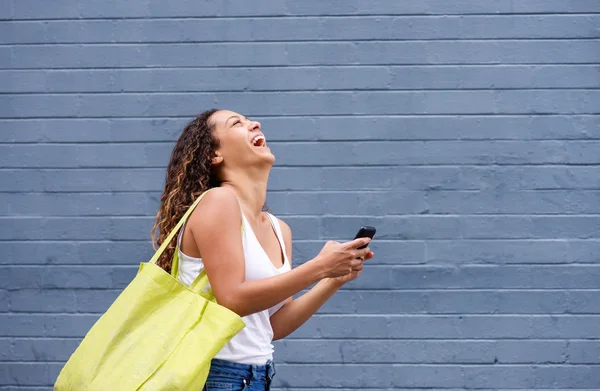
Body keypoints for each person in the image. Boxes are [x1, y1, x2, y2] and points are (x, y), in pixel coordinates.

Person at [151, 109, 374, 391]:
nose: (254, 123)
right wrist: (320, 266)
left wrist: (332, 279)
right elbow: (232, 300)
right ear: (214, 155)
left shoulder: (279, 229)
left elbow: (272, 326)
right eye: (237, 123)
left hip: (259, 375)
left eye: (250, 120)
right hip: (215, 375)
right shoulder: (218, 201)